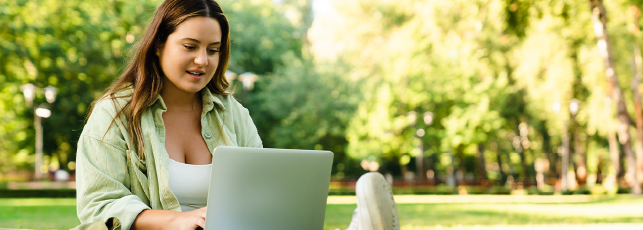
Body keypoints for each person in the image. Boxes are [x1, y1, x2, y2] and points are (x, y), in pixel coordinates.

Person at [73, 0, 399, 230]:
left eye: (213, 50)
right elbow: (99, 203)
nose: (203, 60)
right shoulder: (115, 113)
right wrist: (176, 221)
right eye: (190, 46)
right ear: (158, 44)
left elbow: (260, 189)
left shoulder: (232, 114)